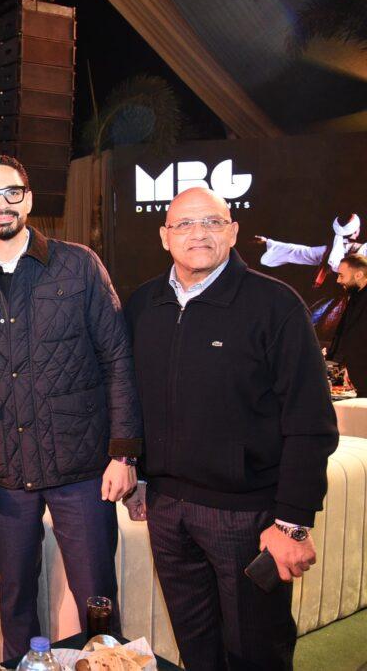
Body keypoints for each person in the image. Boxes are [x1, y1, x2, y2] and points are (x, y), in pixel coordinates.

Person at [0, 155, 142, 659]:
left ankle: (105, 666)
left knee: (97, 598)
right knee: (15, 598)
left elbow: (117, 359)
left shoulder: (80, 264)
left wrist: (123, 453)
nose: (1, 204)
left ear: (28, 199)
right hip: (4, 473)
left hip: (82, 468)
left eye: (12, 192)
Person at [125, 186, 339, 670]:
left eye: (212, 222)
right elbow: (133, 398)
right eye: (184, 224)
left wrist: (292, 522)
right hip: (167, 511)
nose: (198, 233)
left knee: (256, 651)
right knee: (195, 648)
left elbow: (311, 423)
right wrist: (138, 470)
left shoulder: (275, 305)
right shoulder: (142, 305)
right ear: (164, 236)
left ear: (234, 231)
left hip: (248, 517)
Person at [327, 253, 367, 389]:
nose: (338, 280)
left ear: (358, 275)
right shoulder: (355, 297)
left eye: (341, 275)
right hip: (355, 373)